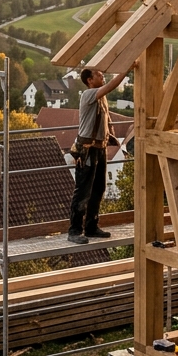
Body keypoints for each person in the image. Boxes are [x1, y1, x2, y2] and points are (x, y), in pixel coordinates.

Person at [68, 66, 125, 244]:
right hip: (87, 149)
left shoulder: (101, 98)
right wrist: (124, 71)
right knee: (83, 191)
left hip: (99, 148)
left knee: (98, 188)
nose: (102, 76)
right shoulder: (89, 94)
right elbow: (110, 87)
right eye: (98, 75)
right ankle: (75, 230)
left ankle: (91, 226)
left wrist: (111, 136)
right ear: (89, 81)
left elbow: (105, 120)